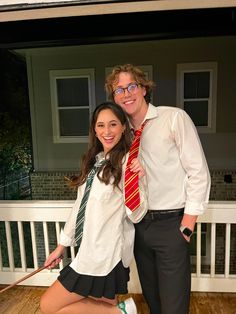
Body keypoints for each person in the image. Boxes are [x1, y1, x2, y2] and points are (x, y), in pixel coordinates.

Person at [105, 64, 211, 314]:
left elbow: (198, 171)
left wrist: (187, 224)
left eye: (131, 86)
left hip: (171, 225)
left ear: (143, 89)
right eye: (118, 90)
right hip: (138, 226)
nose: (126, 93)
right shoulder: (121, 134)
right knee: (153, 301)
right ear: (114, 96)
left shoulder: (173, 118)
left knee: (174, 306)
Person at [40, 101, 148, 314]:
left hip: (106, 255)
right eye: (100, 125)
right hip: (89, 251)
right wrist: (61, 247)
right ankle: (122, 311)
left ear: (124, 127)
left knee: (49, 305)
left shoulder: (128, 163)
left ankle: (122, 312)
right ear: (94, 129)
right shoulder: (95, 161)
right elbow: (80, 206)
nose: (106, 131)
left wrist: (136, 184)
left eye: (113, 124)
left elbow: (136, 215)